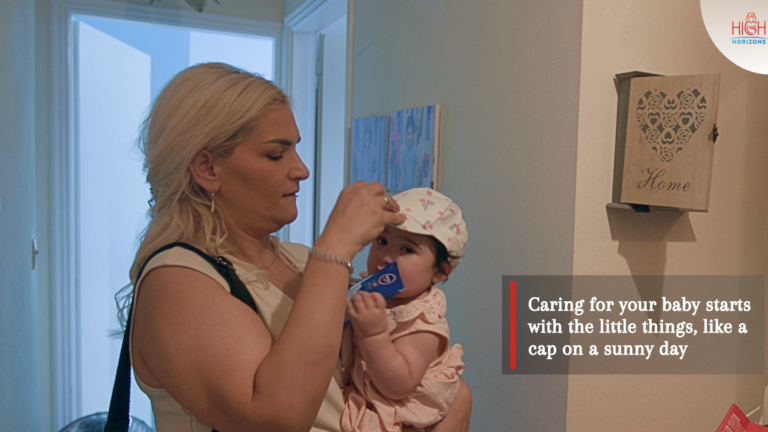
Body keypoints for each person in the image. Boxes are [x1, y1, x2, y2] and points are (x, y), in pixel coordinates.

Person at [124, 62, 471, 432]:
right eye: (277, 154)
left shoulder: (300, 259)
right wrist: (336, 246)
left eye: (296, 150)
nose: (302, 170)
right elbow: (275, 420)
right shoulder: (177, 282)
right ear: (208, 169)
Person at [342, 188, 468, 432]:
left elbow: (398, 386)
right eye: (382, 241)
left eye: (407, 250)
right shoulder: (374, 288)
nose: (386, 256)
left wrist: (373, 334)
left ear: (440, 272)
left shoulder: (423, 320)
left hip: (403, 414)